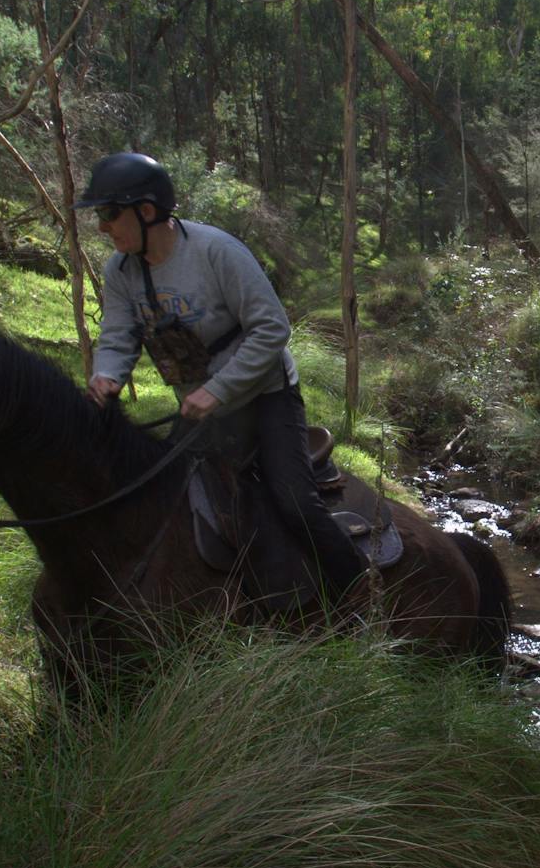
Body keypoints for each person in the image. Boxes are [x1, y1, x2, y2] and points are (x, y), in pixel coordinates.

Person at [77, 151, 368, 603]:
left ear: (147, 211)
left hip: (266, 395)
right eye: (100, 216)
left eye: (110, 214)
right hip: (200, 408)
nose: (102, 226)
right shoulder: (120, 270)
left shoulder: (217, 251)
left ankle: (360, 591)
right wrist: (107, 376)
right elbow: (118, 334)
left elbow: (272, 327)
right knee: (163, 497)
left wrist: (217, 391)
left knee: (294, 502)